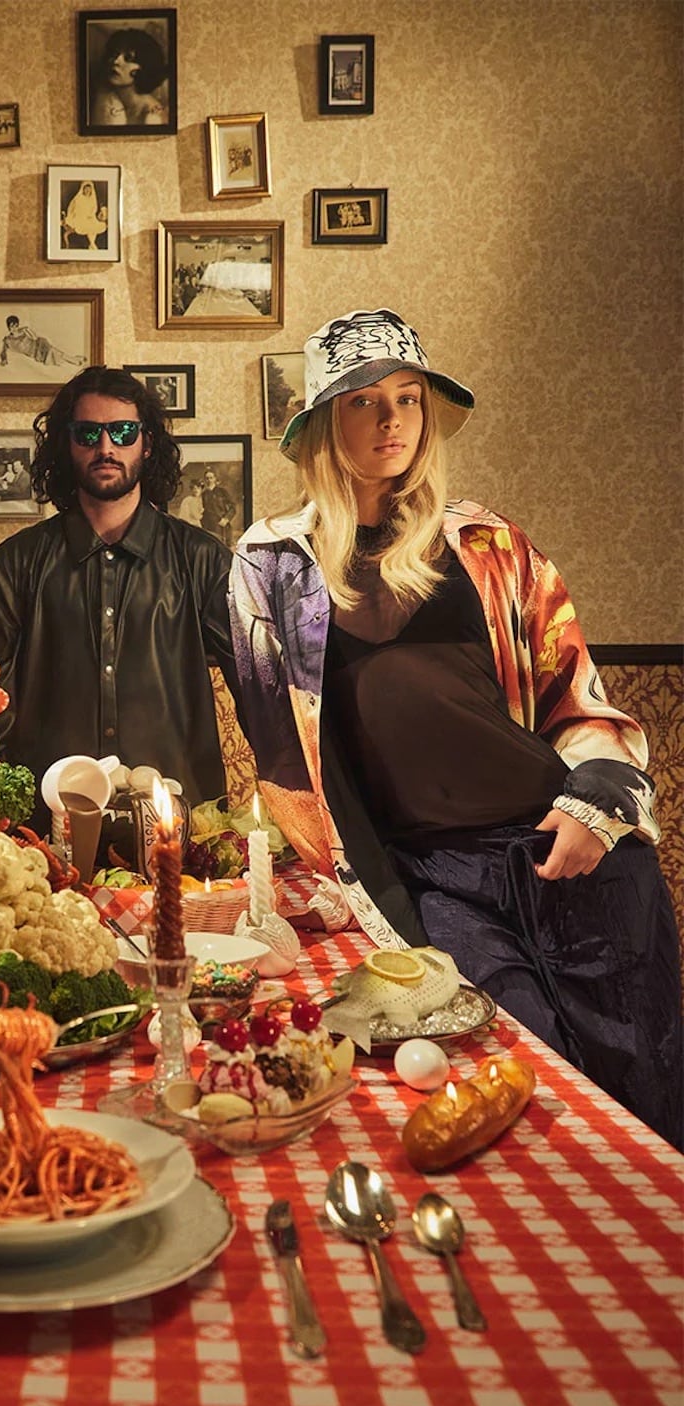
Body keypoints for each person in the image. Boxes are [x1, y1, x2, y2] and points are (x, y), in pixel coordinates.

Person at [228, 306, 682, 1148]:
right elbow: (285, 757)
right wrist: (360, 893)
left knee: (642, 1091)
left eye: (408, 398)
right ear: (324, 423)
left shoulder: (489, 541)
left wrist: (597, 809)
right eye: (364, 401)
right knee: (520, 1077)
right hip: (436, 875)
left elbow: (576, 696)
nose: (392, 419)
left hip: (568, 844)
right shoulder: (272, 564)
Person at [0, 366, 243, 824]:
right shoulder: (14, 562)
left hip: (177, 821)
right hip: (44, 824)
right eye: (88, 433)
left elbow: (259, 689)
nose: (106, 447)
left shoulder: (202, 559)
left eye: (122, 432)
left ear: (147, 442)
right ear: (66, 444)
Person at [91, 27, 169, 126]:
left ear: (145, 67)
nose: (116, 61)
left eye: (128, 58)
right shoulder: (106, 98)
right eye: (115, 54)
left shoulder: (152, 117)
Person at [0, 315, 85, 370]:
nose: (14, 328)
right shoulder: (7, 340)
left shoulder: (23, 331)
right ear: (8, 327)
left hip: (39, 345)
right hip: (35, 353)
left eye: (16, 326)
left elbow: (35, 338)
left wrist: (27, 330)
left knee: (54, 352)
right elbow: (3, 352)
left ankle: (74, 360)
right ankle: (75, 358)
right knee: (55, 356)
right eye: (11, 326)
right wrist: (4, 360)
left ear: (18, 325)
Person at [200, 467, 236, 546]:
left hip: (220, 524)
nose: (209, 480)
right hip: (207, 525)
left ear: (215, 479)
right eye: (207, 478)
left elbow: (233, 507)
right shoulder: (203, 494)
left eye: (211, 478)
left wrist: (226, 519)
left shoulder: (222, 492)